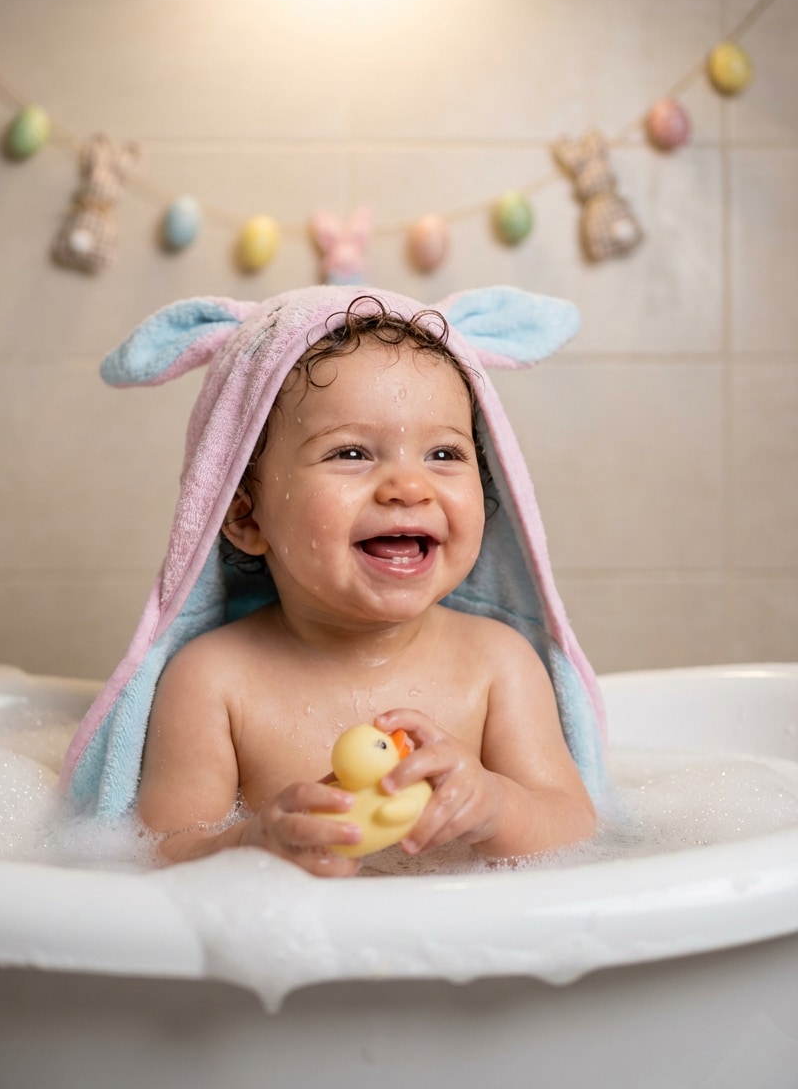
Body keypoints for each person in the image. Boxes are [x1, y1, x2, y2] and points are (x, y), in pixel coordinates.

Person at [136, 298, 596, 877]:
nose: (409, 485)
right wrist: (249, 846)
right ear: (246, 517)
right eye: (351, 452)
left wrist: (497, 807)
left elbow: (576, 827)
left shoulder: (498, 664)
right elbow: (158, 853)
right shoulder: (214, 681)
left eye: (444, 453)